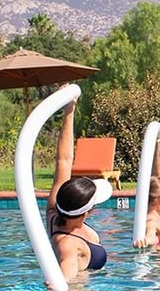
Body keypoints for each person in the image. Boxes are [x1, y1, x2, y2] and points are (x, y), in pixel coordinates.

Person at [46, 98, 112, 281]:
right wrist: (59, 282)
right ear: (88, 212)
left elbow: (64, 160)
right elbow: (66, 275)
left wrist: (69, 110)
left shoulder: (54, 212)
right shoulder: (67, 244)